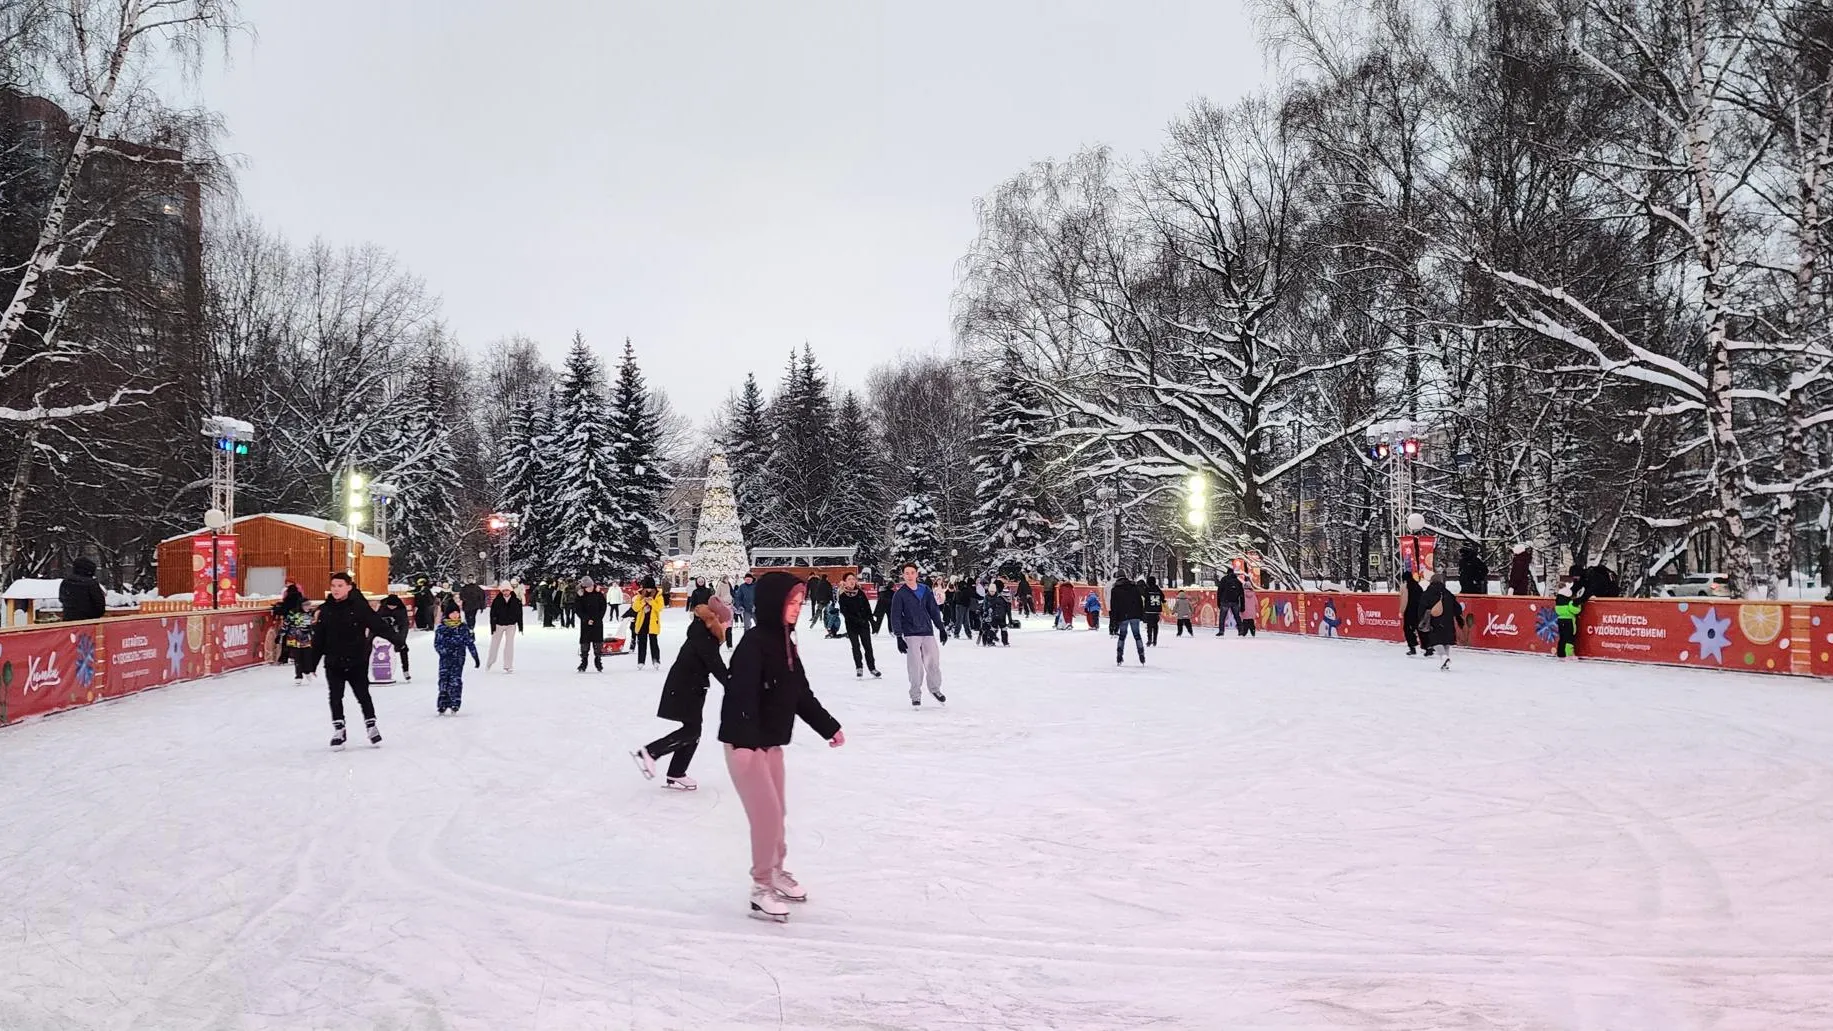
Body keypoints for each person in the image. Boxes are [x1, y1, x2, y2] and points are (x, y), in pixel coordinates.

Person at [717, 571, 845, 922]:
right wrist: (746, 742)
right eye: (791, 602)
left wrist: (828, 727)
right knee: (767, 816)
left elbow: (799, 693)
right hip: (746, 745)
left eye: (800, 602)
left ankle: (775, 870)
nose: (797, 608)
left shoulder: (787, 642)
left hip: (771, 743)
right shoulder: (754, 644)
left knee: (778, 813)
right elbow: (738, 696)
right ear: (774, 603)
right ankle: (761, 888)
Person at [634, 596, 734, 790]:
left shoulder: (703, 632)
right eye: (726, 622)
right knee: (692, 730)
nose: (728, 626)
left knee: (693, 730)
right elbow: (716, 665)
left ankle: (677, 772)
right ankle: (650, 752)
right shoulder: (705, 637)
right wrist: (734, 684)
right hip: (686, 687)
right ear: (716, 620)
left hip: (690, 686)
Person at [315, 571, 406, 748]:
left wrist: (398, 641)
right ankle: (339, 730)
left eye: (340, 586)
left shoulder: (358, 607)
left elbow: (378, 625)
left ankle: (371, 725)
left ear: (349, 587)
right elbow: (319, 637)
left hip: (356, 659)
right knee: (335, 695)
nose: (336, 589)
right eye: (333, 586)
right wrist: (311, 663)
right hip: (333, 661)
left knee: (362, 694)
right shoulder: (326, 609)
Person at [889, 562, 948, 707]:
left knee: (933, 662)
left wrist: (941, 628)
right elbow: (895, 616)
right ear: (903, 575)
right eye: (906, 573)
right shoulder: (900, 594)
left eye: (912, 573)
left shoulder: (925, 589)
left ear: (917, 574)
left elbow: (933, 610)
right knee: (915, 666)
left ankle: (935, 689)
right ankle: (915, 694)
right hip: (911, 633)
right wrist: (898, 636)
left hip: (927, 631)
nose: (909, 576)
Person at [433, 600, 480, 714]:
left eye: (457, 613)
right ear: (447, 614)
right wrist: (444, 652)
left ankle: (455, 703)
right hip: (445, 659)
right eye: (452, 613)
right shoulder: (442, 628)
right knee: (444, 681)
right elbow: (437, 644)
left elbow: (469, 642)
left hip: (458, 659)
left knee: (455, 681)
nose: (455, 615)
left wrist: (475, 657)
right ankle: (442, 704)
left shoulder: (463, 627)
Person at [836, 573, 880, 678]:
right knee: (856, 646)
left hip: (864, 624)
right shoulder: (843, 596)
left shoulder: (860, 593)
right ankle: (859, 667)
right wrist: (857, 620)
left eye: (853, 579)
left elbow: (867, 607)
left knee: (868, 647)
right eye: (849, 579)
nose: (852, 581)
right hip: (852, 625)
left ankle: (872, 668)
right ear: (845, 582)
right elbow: (845, 612)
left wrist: (871, 621)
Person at [1419, 571, 1465, 670]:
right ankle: (1446, 659)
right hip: (1448, 621)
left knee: (1435, 640)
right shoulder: (1448, 593)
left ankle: (1444, 657)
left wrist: (1421, 618)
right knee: (1446, 640)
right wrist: (1458, 617)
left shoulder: (1427, 593)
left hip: (1435, 620)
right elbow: (1457, 608)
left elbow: (1421, 608)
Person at [486, 583, 523, 673]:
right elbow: (492, 614)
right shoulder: (497, 600)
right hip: (499, 625)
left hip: (511, 625)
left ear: (510, 590)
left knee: (509, 645)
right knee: (494, 644)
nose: (506, 592)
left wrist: (521, 626)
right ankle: (490, 661)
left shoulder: (516, 600)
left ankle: (508, 665)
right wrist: (493, 626)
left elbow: (519, 614)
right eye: (504, 590)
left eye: (507, 590)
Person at [1109, 576, 1146, 665]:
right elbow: (1140, 601)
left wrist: (1113, 620)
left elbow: (1114, 606)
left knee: (1122, 636)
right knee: (1137, 635)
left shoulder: (1115, 590)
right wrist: (1141, 614)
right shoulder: (1134, 587)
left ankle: (1119, 656)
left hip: (1123, 615)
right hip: (1135, 614)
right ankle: (1141, 654)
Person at [574, 576, 608, 672]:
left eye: (592, 586)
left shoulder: (598, 594)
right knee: (585, 642)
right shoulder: (580, 596)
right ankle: (584, 661)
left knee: (598, 642)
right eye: (588, 587)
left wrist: (599, 618)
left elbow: (603, 607)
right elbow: (578, 609)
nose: (591, 588)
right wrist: (586, 619)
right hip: (586, 623)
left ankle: (598, 660)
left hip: (597, 622)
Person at [378, 591, 413, 681]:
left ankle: (406, 671)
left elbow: (404, 625)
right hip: (382, 632)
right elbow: (376, 620)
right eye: (389, 606)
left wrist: (400, 639)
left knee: (403, 649)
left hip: (397, 632)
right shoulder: (383, 607)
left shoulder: (401, 610)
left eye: (393, 606)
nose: (391, 607)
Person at [59, 556, 107, 622]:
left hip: (69, 621)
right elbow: (99, 605)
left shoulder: (66, 581)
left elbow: (62, 599)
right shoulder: (91, 583)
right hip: (89, 622)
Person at [630, 577, 664, 670]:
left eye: (650, 588)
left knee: (654, 642)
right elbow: (635, 608)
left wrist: (652, 602)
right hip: (642, 622)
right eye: (647, 588)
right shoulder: (639, 594)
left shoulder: (658, 595)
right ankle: (641, 661)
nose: (649, 590)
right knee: (641, 642)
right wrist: (642, 602)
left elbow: (660, 608)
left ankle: (656, 660)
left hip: (653, 622)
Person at [1401, 571, 1426, 655]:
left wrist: (1401, 611)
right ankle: (1427, 646)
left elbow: (1404, 600)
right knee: (1420, 628)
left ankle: (1412, 647)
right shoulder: (1418, 586)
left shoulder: (1405, 586)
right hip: (1418, 611)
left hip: (1409, 611)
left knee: (1407, 629)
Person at [1554, 586, 1582, 659]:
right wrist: (1578, 605)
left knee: (1562, 638)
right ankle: (1569, 654)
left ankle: (1561, 653)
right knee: (1569, 638)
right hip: (1569, 621)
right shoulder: (1570, 602)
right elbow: (1575, 610)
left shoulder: (1558, 602)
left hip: (1560, 620)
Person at [1215, 570, 1244, 636]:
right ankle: (1240, 630)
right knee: (1237, 616)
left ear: (1227, 573)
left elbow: (1219, 592)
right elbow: (1241, 594)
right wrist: (1242, 605)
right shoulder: (1237, 581)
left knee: (1222, 617)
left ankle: (1221, 631)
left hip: (1225, 601)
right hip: (1235, 601)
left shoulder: (1224, 580)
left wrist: (1218, 602)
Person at [1141, 576, 1165, 646]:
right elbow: (1162, 597)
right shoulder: (1158, 589)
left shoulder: (1147, 590)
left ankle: (1149, 640)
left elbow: (1144, 595)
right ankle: (1155, 640)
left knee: (1149, 626)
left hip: (1149, 610)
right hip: (1157, 611)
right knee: (1155, 625)